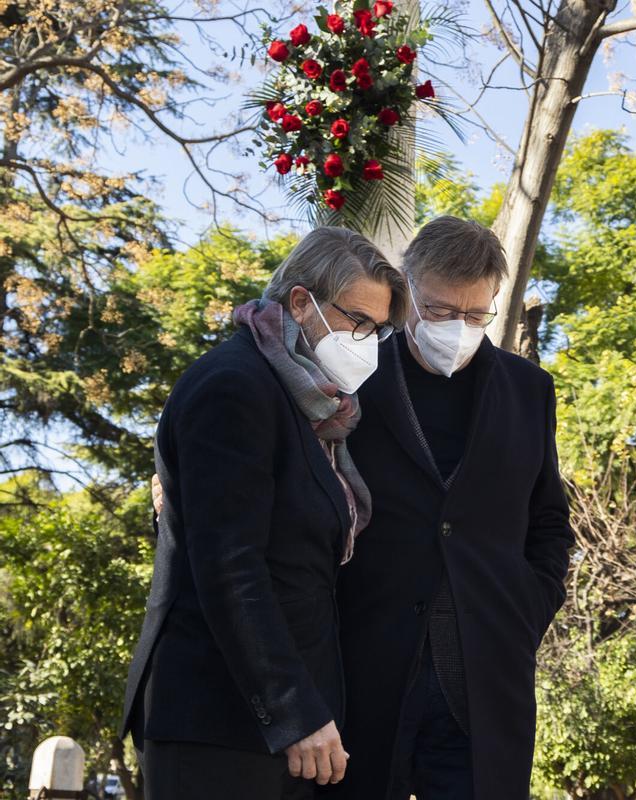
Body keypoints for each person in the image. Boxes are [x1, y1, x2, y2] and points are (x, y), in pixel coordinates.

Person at [123, 227, 405, 799]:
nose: (366, 340)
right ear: (301, 302)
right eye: (356, 320)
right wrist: (292, 709)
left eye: (377, 329)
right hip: (219, 721)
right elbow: (231, 566)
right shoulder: (235, 385)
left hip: (285, 731)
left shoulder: (313, 410)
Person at [323, 216, 574, 800]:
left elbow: (549, 522)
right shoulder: (353, 374)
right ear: (407, 290)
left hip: (487, 674)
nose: (457, 327)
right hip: (367, 664)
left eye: (474, 314)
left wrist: (527, 611)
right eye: (437, 310)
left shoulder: (528, 390)